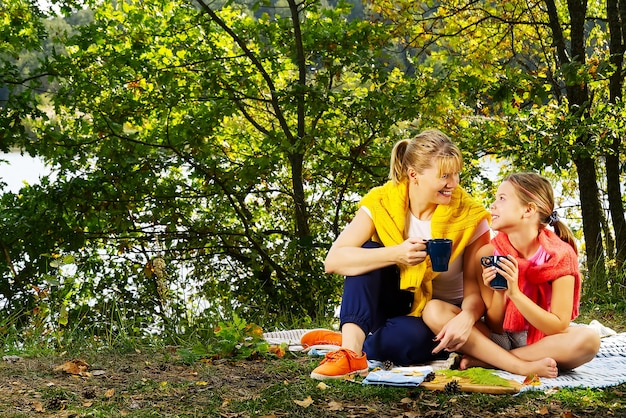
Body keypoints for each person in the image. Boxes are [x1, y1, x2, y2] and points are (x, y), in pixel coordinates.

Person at [301, 129, 491, 380]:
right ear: (414, 175)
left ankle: (349, 342)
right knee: (367, 253)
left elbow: (475, 288)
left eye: (456, 174)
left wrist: (466, 317)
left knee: (407, 343)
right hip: (394, 301)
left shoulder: (470, 216)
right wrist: (396, 254)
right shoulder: (382, 202)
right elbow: (334, 261)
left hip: (437, 313)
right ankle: (349, 353)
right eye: (444, 176)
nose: (453, 184)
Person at [423, 172, 600, 377]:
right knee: (433, 310)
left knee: (589, 340)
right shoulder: (488, 254)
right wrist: (499, 292)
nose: (493, 205)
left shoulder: (560, 256)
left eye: (502, 198)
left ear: (528, 210)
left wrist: (515, 294)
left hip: (542, 340)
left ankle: (490, 361)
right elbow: (496, 326)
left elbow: (558, 327)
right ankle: (517, 365)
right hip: (497, 338)